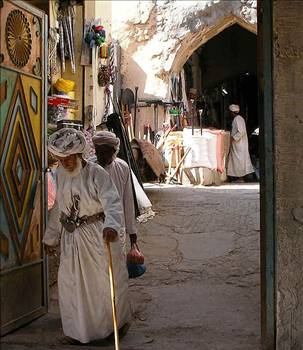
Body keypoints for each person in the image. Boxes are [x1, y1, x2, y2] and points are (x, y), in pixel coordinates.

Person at [43, 128, 130, 344]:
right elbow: (58, 210)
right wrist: (51, 237)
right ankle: (78, 332)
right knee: (71, 284)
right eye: (61, 159)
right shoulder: (60, 174)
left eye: (70, 158)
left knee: (100, 284)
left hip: (97, 236)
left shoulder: (96, 173)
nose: (66, 163)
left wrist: (111, 225)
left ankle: (108, 328)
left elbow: (113, 203)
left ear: (79, 154)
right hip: (72, 239)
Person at [91, 131, 138, 247]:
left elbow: (128, 201)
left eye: (105, 152)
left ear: (113, 151)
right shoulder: (89, 167)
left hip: (116, 226)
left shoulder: (122, 168)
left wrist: (132, 234)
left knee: (116, 262)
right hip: (92, 227)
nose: (101, 156)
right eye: (98, 152)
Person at [227, 104, 254, 181]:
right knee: (238, 161)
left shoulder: (237, 119)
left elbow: (241, 132)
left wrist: (233, 138)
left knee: (239, 161)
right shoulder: (239, 118)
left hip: (239, 145)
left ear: (232, 112)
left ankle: (241, 178)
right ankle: (240, 178)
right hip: (238, 144)